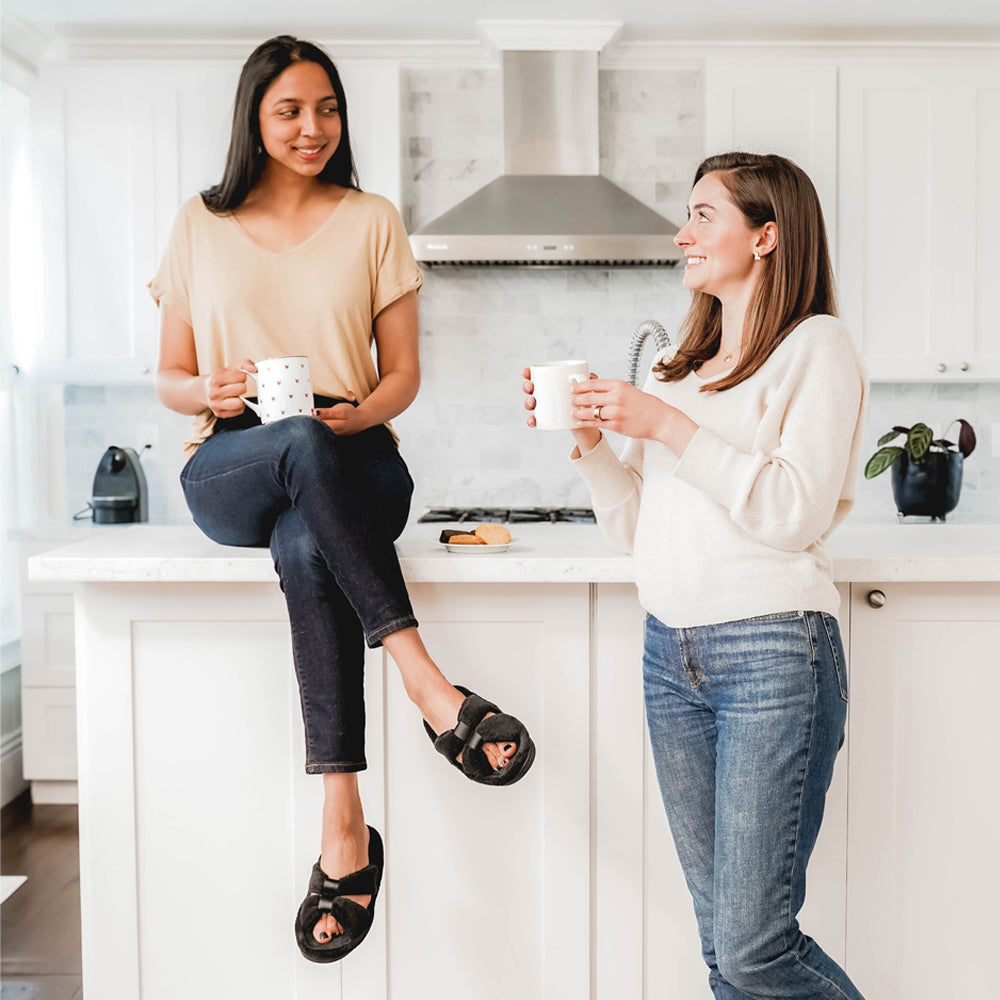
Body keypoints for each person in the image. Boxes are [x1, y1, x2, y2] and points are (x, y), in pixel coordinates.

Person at [151, 35, 534, 965]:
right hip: (234, 460)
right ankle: (428, 683)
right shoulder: (199, 222)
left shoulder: (372, 219)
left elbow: (402, 376)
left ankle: (344, 826)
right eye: (289, 110)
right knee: (291, 449)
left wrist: (349, 414)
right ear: (253, 117)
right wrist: (213, 392)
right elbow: (169, 374)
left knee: (304, 540)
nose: (312, 126)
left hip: (356, 460)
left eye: (326, 108)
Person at [523, 152, 868, 999]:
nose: (682, 234)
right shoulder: (677, 358)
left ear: (767, 236)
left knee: (756, 950)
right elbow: (640, 528)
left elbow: (794, 512)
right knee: (722, 948)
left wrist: (671, 430)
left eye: (704, 215)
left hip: (773, 655)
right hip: (668, 656)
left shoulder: (817, 348)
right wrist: (590, 442)